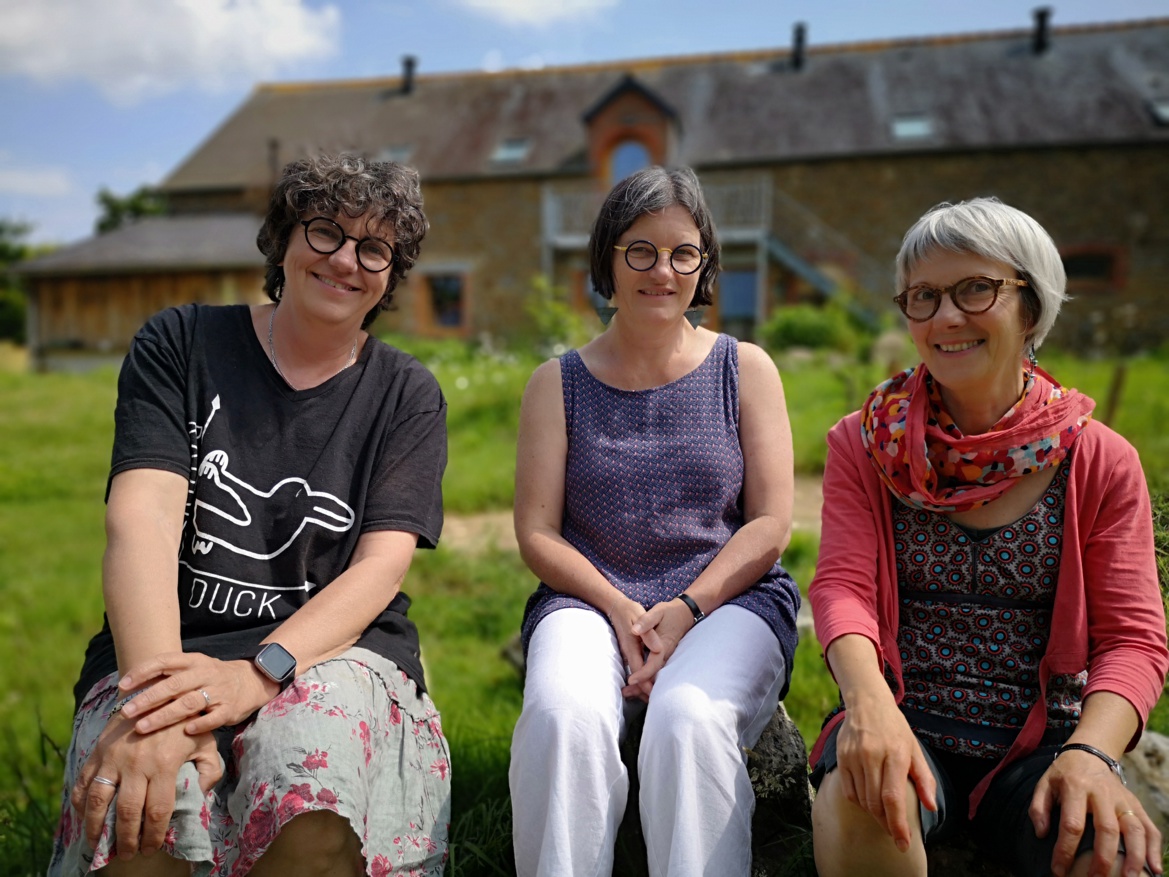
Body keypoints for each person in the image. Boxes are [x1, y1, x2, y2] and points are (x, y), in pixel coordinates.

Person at [50, 154, 450, 877]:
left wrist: (259, 673)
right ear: (284, 240)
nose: (345, 260)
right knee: (144, 811)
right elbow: (140, 524)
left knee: (312, 807)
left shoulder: (406, 393)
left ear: (391, 274)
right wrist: (158, 706)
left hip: (334, 649)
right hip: (166, 645)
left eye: (374, 248)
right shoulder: (180, 343)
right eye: (325, 232)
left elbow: (380, 568)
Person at [808, 197, 1169, 877]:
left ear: (1030, 307)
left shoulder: (1099, 460)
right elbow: (842, 587)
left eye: (975, 288)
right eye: (922, 296)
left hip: (1045, 744)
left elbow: (1132, 638)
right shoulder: (861, 444)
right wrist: (869, 707)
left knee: (1110, 861)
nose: (945, 316)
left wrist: (1090, 755)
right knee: (863, 800)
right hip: (902, 716)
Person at [508, 166, 801, 876]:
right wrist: (618, 608)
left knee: (687, 721)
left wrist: (687, 606)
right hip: (587, 599)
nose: (661, 270)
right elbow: (536, 532)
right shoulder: (557, 382)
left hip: (729, 599)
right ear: (607, 257)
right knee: (560, 717)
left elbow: (769, 523)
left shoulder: (745, 367)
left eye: (682, 252)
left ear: (704, 265)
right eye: (639, 250)